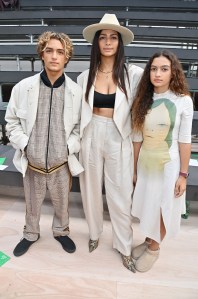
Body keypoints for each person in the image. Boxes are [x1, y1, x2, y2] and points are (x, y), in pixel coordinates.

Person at [5, 31, 83, 257]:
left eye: (60, 52)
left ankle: (61, 231)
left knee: (62, 203)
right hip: (33, 163)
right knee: (32, 203)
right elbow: (11, 122)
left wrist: (68, 148)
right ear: (42, 53)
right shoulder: (23, 87)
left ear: (67, 57)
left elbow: (79, 129)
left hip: (61, 164)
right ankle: (30, 233)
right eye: (49, 50)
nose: (54, 56)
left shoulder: (76, 92)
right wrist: (26, 146)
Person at [77, 13, 143, 272]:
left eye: (112, 37)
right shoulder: (85, 76)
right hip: (91, 134)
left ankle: (124, 246)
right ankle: (94, 233)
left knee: (120, 195)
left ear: (119, 42)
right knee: (90, 189)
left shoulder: (133, 74)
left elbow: (138, 116)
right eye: (102, 37)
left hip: (120, 137)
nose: (107, 42)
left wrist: (137, 160)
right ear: (96, 43)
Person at [131, 49, 193, 272]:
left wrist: (183, 175)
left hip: (169, 166)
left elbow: (185, 140)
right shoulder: (143, 99)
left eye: (164, 69)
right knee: (149, 206)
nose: (158, 73)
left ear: (173, 72)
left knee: (163, 208)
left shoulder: (183, 101)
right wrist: (134, 169)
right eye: (154, 69)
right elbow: (137, 138)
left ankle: (154, 249)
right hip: (146, 165)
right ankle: (148, 240)